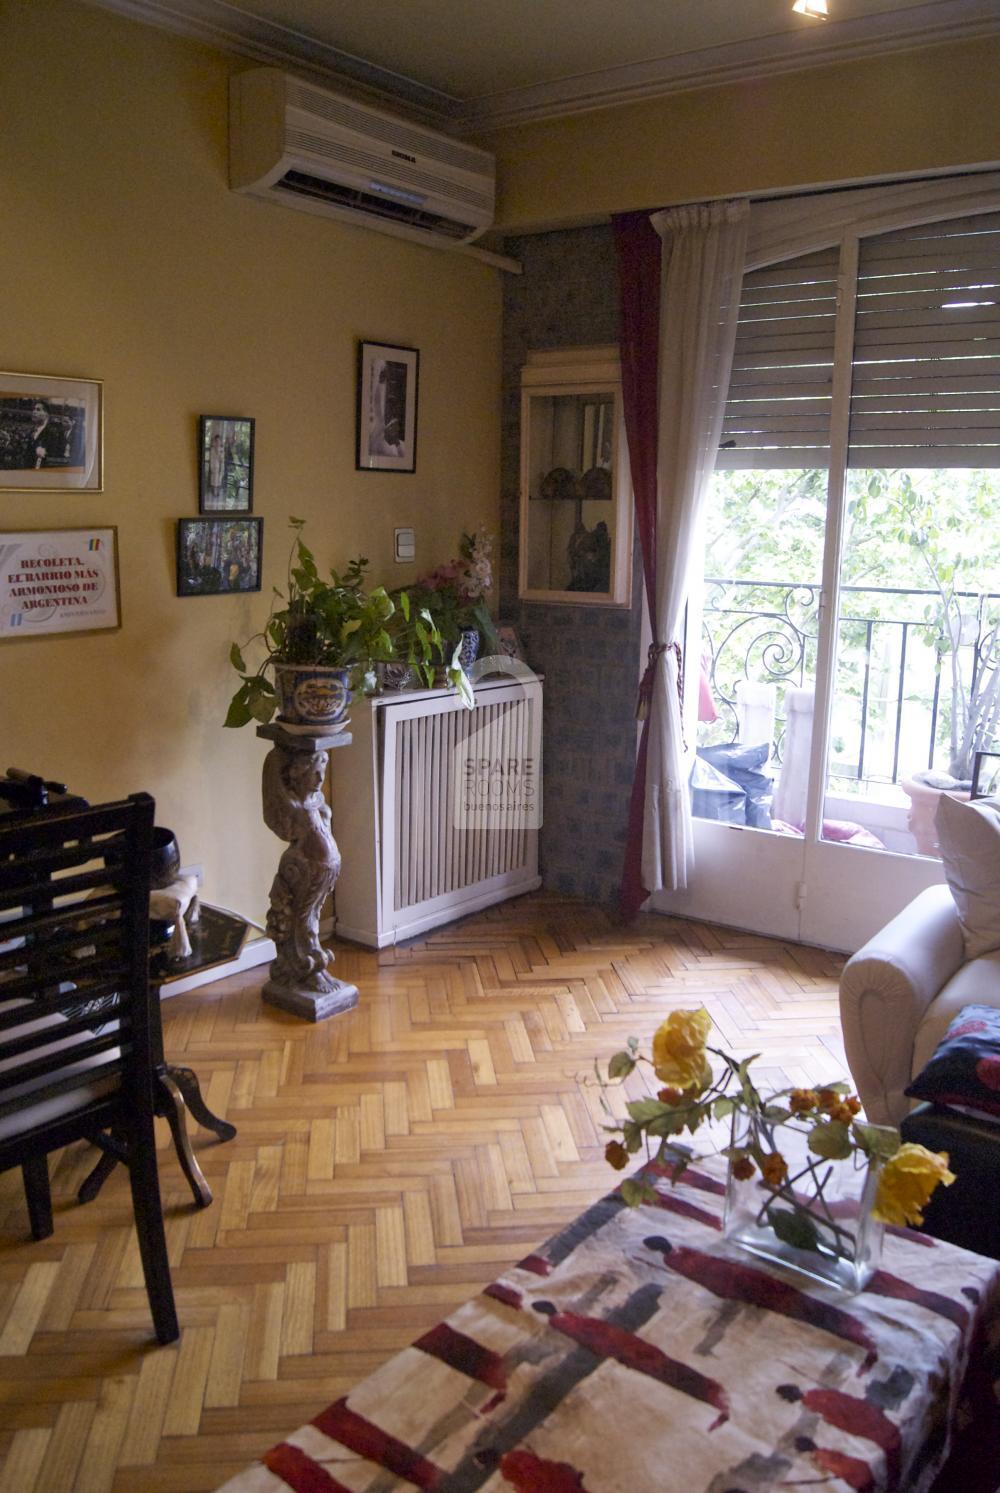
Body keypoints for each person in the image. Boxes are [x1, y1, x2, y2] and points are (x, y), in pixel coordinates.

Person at [30, 401, 67, 469]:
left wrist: (46, 454)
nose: (34, 412)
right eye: (34, 409)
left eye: (38, 409)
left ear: (47, 414)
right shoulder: (32, 431)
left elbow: (60, 459)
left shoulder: (55, 432)